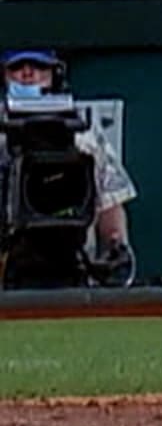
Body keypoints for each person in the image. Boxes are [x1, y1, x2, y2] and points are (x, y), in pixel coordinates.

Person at [2, 51, 138, 285]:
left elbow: (110, 203)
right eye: (17, 67)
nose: (28, 74)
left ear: (54, 73)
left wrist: (115, 246)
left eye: (38, 66)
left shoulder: (84, 133)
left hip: (74, 265)